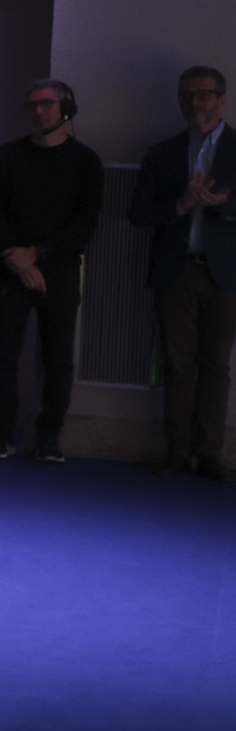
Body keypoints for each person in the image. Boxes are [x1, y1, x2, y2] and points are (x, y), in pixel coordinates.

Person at [0, 79, 103, 463]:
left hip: (59, 271)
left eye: (47, 103)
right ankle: (2, 436)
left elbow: (84, 223)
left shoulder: (85, 161)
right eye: (33, 104)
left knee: (58, 358)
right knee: (3, 356)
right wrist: (17, 260)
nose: (39, 111)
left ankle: (48, 439)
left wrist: (37, 255)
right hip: (9, 270)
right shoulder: (7, 156)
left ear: (66, 109)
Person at [130, 63, 234, 478]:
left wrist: (224, 204)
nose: (194, 103)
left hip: (225, 273)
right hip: (177, 270)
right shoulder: (162, 152)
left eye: (203, 94)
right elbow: (138, 214)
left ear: (222, 99)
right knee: (176, 364)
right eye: (186, 95)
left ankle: (209, 454)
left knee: (216, 366)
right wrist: (181, 205)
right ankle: (177, 451)